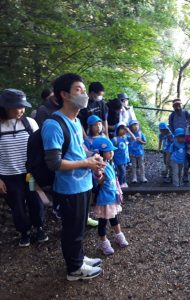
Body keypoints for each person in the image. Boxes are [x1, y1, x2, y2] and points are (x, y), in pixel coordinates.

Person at [42, 73, 104, 281]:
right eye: (79, 89)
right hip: (68, 188)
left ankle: (78, 258)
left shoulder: (76, 121)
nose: (84, 94)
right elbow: (54, 163)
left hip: (83, 183)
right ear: (64, 94)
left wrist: (92, 159)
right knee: (71, 230)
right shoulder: (53, 124)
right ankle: (74, 269)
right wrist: (86, 163)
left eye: (85, 90)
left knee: (79, 227)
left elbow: (78, 151)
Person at [0, 89, 47, 247]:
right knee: (17, 204)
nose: (21, 110)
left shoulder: (29, 123)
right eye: (17, 107)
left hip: (30, 175)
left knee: (35, 200)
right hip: (9, 177)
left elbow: (39, 148)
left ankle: (39, 227)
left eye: (23, 106)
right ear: (6, 106)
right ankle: (24, 231)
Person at [91, 137, 129, 255]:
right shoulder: (99, 167)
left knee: (114, 219)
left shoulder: (110, 164)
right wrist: (99, 173)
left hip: (112, 198)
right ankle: (104, 243)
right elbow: (100, 181)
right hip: (103, 201)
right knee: (102, 222)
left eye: (112, 151)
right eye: (109, 151)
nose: (112, 153)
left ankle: (119, 236)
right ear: (100, 153)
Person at [112, 122, 135, 188]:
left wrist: (128, 130)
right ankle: (120, 183)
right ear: (117, 130)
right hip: (118, 159)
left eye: (124, 129)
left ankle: (124, 182)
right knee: (122, 171)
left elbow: (134, 138)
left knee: (124, 171)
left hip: (125, 159)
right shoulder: (115, 139)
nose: (124, 131)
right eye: (122, 129)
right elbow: (111, 149)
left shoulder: (125, 138)